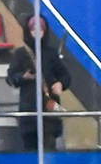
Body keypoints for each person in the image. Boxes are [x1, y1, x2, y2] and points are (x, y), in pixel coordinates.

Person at [7, 13, 72, 151]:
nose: (37, 33)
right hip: (29, 113)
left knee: (48, 152)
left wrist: (60, 83)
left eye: (41, 30)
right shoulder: (20, 53)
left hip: (48, 113)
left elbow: (65, 75)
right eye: (34, 30)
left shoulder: (51, 53)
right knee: (30, 153)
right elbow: (11, 78)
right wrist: (23, 77)